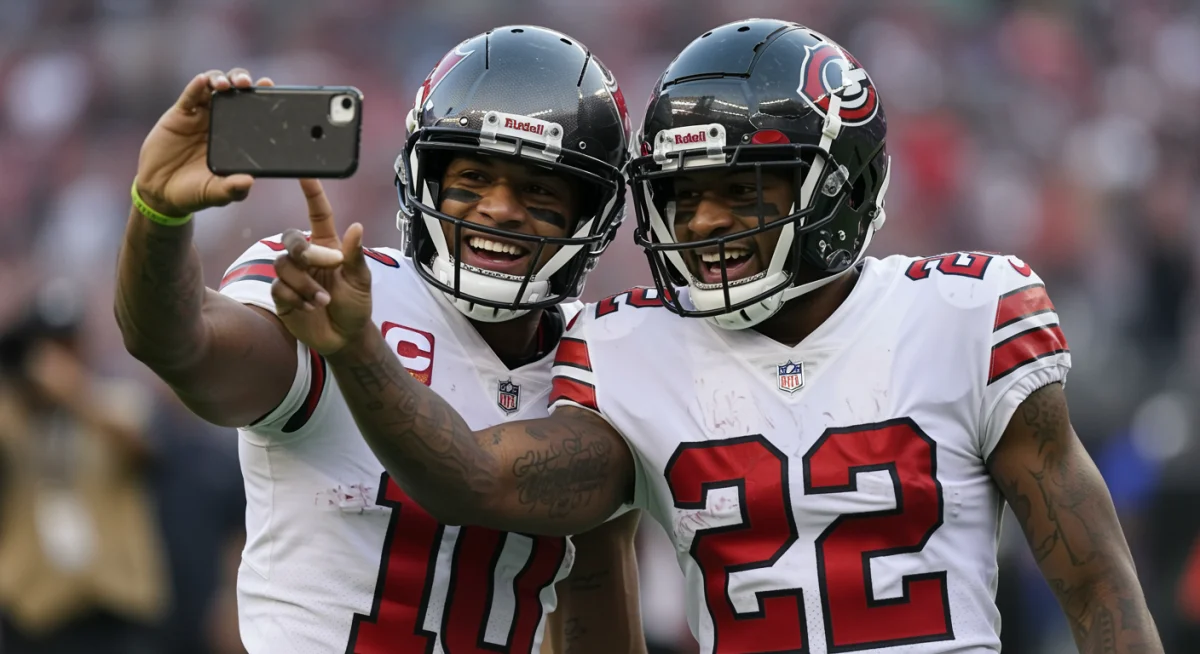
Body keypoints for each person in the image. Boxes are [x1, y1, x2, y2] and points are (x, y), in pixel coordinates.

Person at [272, 18, 1163, 654]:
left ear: (840, 187)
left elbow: (1095, 582)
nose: (703, 222)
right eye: (685, 194)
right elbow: (478, 480)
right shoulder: (630, 348)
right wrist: (355, 348)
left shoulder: (965, 314)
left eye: (743, 191)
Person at [115, 25, 645, 654]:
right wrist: (159, 217)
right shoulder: (337, 285)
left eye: (539, 188)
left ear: (591, 212)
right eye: (473, 177)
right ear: (424, 179)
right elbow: (180, 344)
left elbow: (591, 591)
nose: (500, 208)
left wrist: (354, 347)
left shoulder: (599, 355)